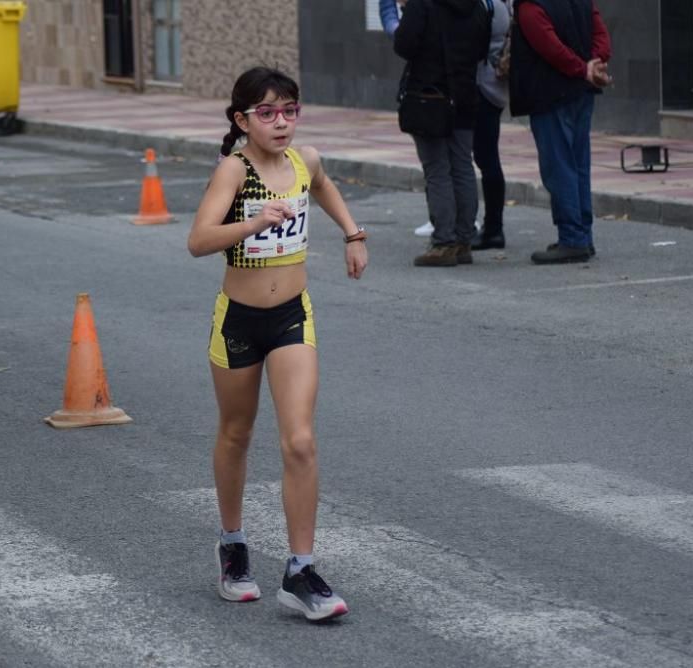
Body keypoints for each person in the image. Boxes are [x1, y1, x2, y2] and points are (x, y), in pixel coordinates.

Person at [187, 66, 367, 622]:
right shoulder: (233, 172)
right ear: (242, 120)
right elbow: (198, 241)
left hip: (292, 316)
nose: (281, 122)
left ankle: (300, 569)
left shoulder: (303, 160)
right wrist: (251, 223)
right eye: (266, 112)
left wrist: (352, 233)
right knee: (237, 433)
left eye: (289, 109)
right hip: (238, 320)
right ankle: (233, 544)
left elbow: (325, 184)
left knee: (301, 441)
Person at [509, 0, 611, 264]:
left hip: (550, 95)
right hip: (581, 92)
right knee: (578, 165)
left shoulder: (530, 5)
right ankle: (583, 236)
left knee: (559, 167)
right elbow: (600, 33)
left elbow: (549, 47)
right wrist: (595, 64)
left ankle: (572, 238)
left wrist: (583, 69)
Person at [394, 0, 491, 266]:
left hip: (429, 97)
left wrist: (405, 11)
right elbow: (482, 49)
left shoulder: (421, 4)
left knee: (437, 169)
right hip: (465, 94)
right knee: (462, 166)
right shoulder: (477, 6)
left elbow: (403, 45)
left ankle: (443, 242)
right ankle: (463, 240)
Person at [470, 0, 511, 251]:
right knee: (487, 157)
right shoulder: (500, 4)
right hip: (492, 87)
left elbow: (474, 43)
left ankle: (493, 228)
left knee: (486, 158)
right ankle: (492, 226)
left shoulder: (488, 5)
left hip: (483, 87)